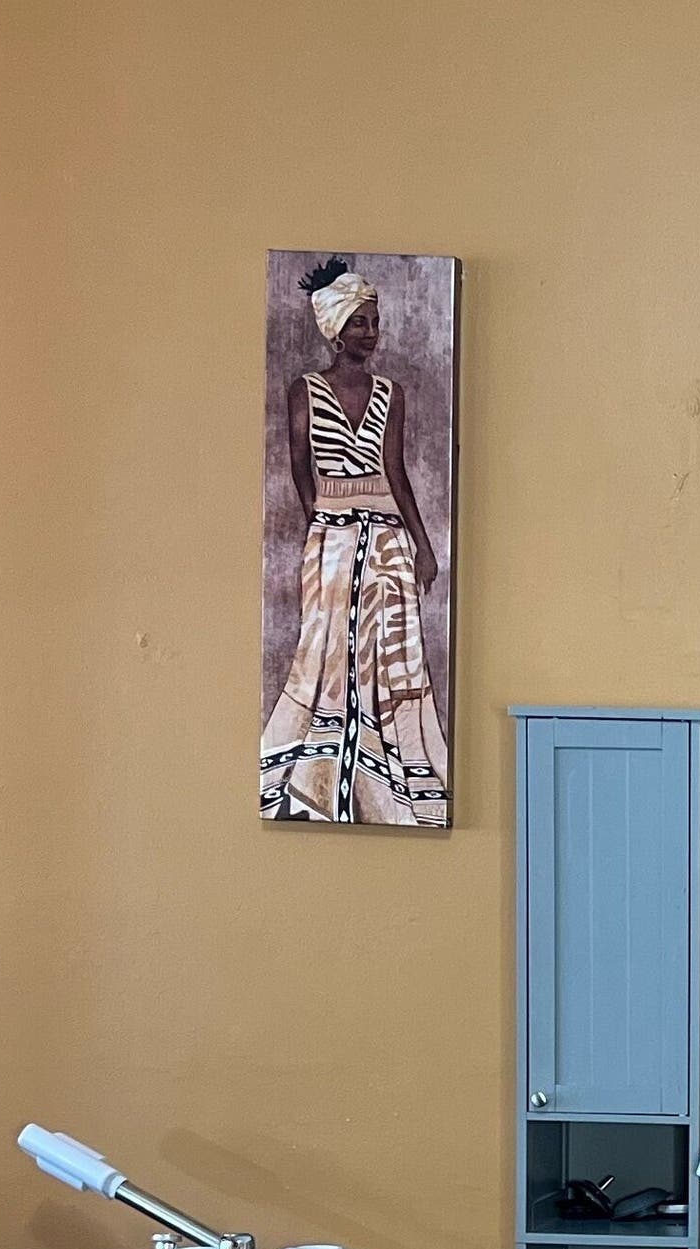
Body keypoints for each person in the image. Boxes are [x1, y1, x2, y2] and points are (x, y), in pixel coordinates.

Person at [261, 258, 451, 827]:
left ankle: (388, 777)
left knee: (391, 653)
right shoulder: (305, 390)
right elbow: (300, 465)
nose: (372, 333)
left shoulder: (391, 392)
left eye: (375, 322)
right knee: (324, 647)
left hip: (388, 540)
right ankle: (318, 778)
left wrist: (422, 543)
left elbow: (395, 469)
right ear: (336, 331)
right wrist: (322, 519)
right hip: (332, 540)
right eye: (361, 323)